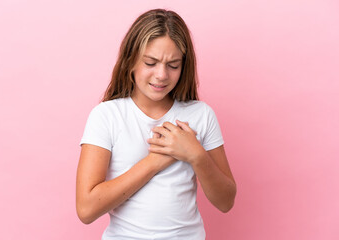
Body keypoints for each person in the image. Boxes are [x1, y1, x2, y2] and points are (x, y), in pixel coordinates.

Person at [76, 8, 236, 240]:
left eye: (173, 65)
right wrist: (155, 161)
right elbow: (86, 209)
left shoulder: (201, 115)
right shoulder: (107, 115)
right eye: (150, 62)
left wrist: (196, 155)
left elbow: (226, 201)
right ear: (130, 62)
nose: (161, 75)